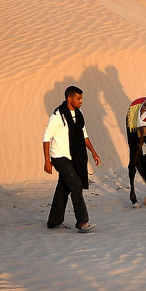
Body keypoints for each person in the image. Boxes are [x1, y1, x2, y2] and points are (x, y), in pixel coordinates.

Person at [43, 85, 102, 233]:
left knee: (63, 188)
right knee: (76, 186)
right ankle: (82, 223)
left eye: (81, 98)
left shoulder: (79, 114)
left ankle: (53, 221)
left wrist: (94, 152)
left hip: (73, 157)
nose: (81, 101)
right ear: (70, 99)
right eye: (78, 98)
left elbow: (84, 135)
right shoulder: (57, 116)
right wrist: (47, 161)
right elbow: (46, 138)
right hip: (59, 158)